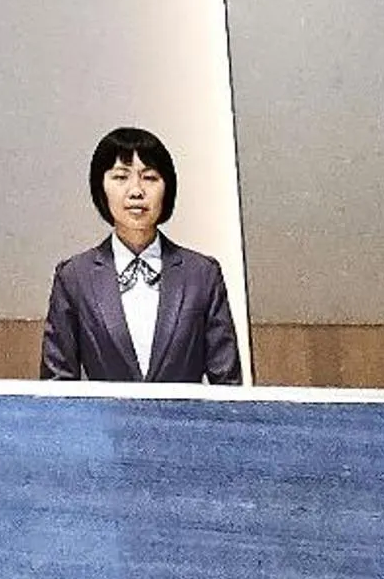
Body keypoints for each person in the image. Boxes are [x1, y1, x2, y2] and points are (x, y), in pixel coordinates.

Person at [39, 127, 242, 386]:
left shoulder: (202, 274)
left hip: (183, 414)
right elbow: (57, 384)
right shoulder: (74, 276)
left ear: (167, 187)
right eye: (120, 177)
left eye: (149, 177)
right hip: (103, 415)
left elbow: (227, 384)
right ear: (101, 187)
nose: (136, 191)